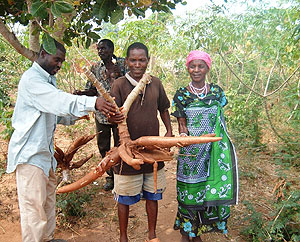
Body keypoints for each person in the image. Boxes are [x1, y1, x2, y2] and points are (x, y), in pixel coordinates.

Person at [6, 40, 122, 242]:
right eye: (57, 60)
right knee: (34, 213)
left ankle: (47, 239)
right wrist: (93, 102)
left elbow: (58, 115)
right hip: (30, 157)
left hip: (44, 157)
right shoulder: (33, 81)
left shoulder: (48, 80)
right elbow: (58, 101)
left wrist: (83, 113)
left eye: (62, 61)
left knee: (47, 205)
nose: (59, 65)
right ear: (43, 53)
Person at [171, 50, 238, 242]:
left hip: (213, 152)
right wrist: (185, 138)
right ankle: (187, 233)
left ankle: (198, 233)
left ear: (208, 68)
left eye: (201, 66)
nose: (196, 70)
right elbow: (182, 124)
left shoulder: (217, 92)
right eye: (193, 66)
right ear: (188, 68)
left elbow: (221, 122)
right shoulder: (182, 94)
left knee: (209, 191)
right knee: (188, 194)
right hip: (190, 154)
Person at [109, 42, 173, 242]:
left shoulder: (155, 83)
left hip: (152, 149)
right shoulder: (119, 84)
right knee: (124, 197)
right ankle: (123, 237)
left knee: (153, 194)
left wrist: (169, 131)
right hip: (128, 151)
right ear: (127, 61)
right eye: (133, 60)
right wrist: (115, 116)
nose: (138, 64)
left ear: (147, 61)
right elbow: (112, 115)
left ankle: (152, 234)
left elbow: (163, 108)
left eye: (142, 60)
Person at [74, 39, 127, 191]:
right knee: (103, 146)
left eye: (103, 48)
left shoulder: (123, 64)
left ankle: (120, 176)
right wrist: (81, 93)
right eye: (99, 49)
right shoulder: (95, 68)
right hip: (102, 115)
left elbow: (130, 84)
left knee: (120, 145)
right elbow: (92, 90)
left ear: (111, 49)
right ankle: (110, 176)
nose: (100, 51)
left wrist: (118, 75)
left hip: (119, 114)